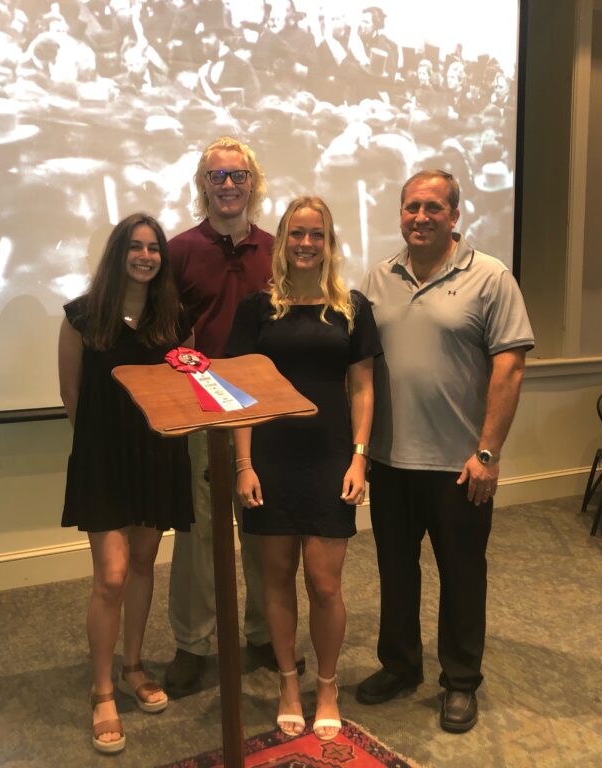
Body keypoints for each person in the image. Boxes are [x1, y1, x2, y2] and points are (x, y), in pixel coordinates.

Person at [356, 170, 533, 733]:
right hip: (389, 459)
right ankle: (401, 666)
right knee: (396, 572)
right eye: (411, 207)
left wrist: (488, 452)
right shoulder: (377, 279)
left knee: (461, 575)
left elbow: (510, 366)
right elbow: (361, 369)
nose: (421, 217)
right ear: (400, 213)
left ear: (455, 216)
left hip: (460, 465)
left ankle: (460, 681)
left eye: (434, 208)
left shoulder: (490, 277)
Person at [226, 196, 381, 740]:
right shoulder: (256, 309)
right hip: (268, 458)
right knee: (275, 579)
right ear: (283, 241)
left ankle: (329, 683)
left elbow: (362, 387)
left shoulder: (351, 309)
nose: (306, 244)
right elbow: (239, 393)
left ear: (330, 243)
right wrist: (243, 464)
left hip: (330, 457)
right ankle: (289, 682)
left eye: (317, 235)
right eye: (296, 234)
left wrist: (360, 459)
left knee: (324, 583)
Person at [58, 213, 194, 755]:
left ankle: (135, 666)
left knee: (142, 565)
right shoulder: (83, 316)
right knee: (110, 576)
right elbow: (73, 399)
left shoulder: (175, 318)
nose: (145, 255)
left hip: (158, 454)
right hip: (104, 458)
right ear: (118, 254)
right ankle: (102, 689)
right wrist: (102, 445)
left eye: (153, 247)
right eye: (134, 247)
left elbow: (186, 386)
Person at [166, 136, 291, 696]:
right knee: (198, 532)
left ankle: (264, 634)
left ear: (253, 183)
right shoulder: (179, 251)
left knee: (263, 527)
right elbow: (165, 333)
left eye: (238, 176)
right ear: (204, 185)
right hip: (201, 412)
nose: (229, 185)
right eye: (217, 177)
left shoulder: (278, 248)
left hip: (265, 412)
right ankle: (193, 642)